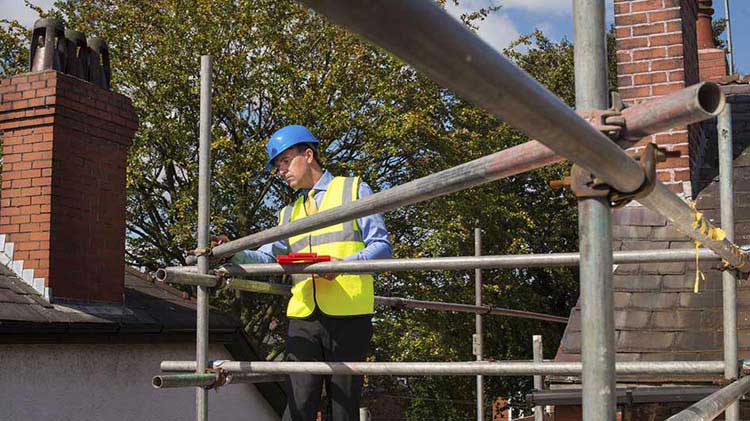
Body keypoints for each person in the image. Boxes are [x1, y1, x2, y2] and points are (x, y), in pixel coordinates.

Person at [228, 125, 392, 420]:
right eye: (278, 166)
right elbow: (268, 257)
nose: (281, 171)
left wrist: (340, 268)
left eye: (285, 161)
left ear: (308, 154)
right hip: (303, 315)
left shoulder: (354, 190)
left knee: (344, 408)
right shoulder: (288, 213)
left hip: (349, 314)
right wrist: (234, 252)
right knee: (298, 405)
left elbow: (381, 246)